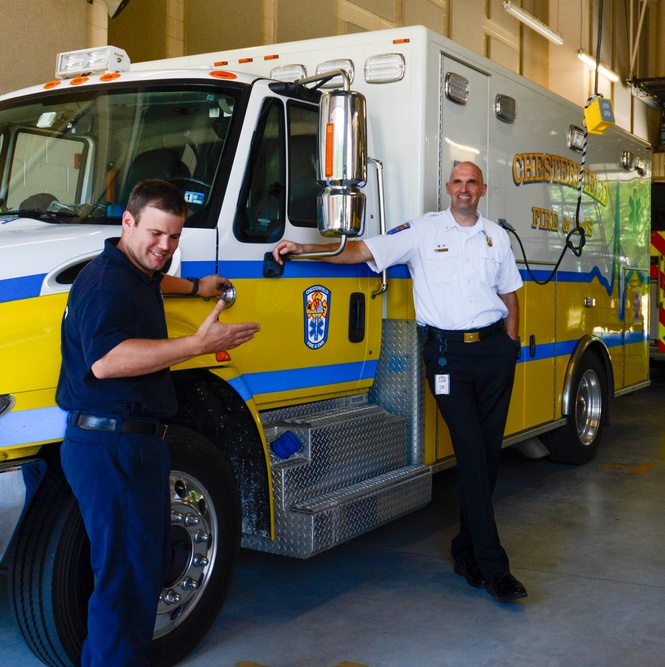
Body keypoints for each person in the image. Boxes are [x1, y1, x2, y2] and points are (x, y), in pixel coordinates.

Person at [272, 161, 527, 603]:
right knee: (470, 453)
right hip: (448, 357)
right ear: (448, 187)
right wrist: (304, 247)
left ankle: (465, 551)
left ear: (482, 189)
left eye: (472, 182)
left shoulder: (496, 236)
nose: (464, 189)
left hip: (493, 354)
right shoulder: (423, 231)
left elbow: (510, 293)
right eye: (458, 182)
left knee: (487, 455)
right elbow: (361, 252)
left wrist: (511, 344)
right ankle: (494, 568)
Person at [57, 179, 260, 666]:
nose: (164, 247)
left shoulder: (129, 269)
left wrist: (194, 286)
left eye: (174, 237)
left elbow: (154, 277)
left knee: (135, 576)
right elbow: (106, 360)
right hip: (113, 447)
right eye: (155, 234)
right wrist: (196, 345)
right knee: (125, 587)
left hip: (122, 444)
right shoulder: (108, 285)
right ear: (127, 222)